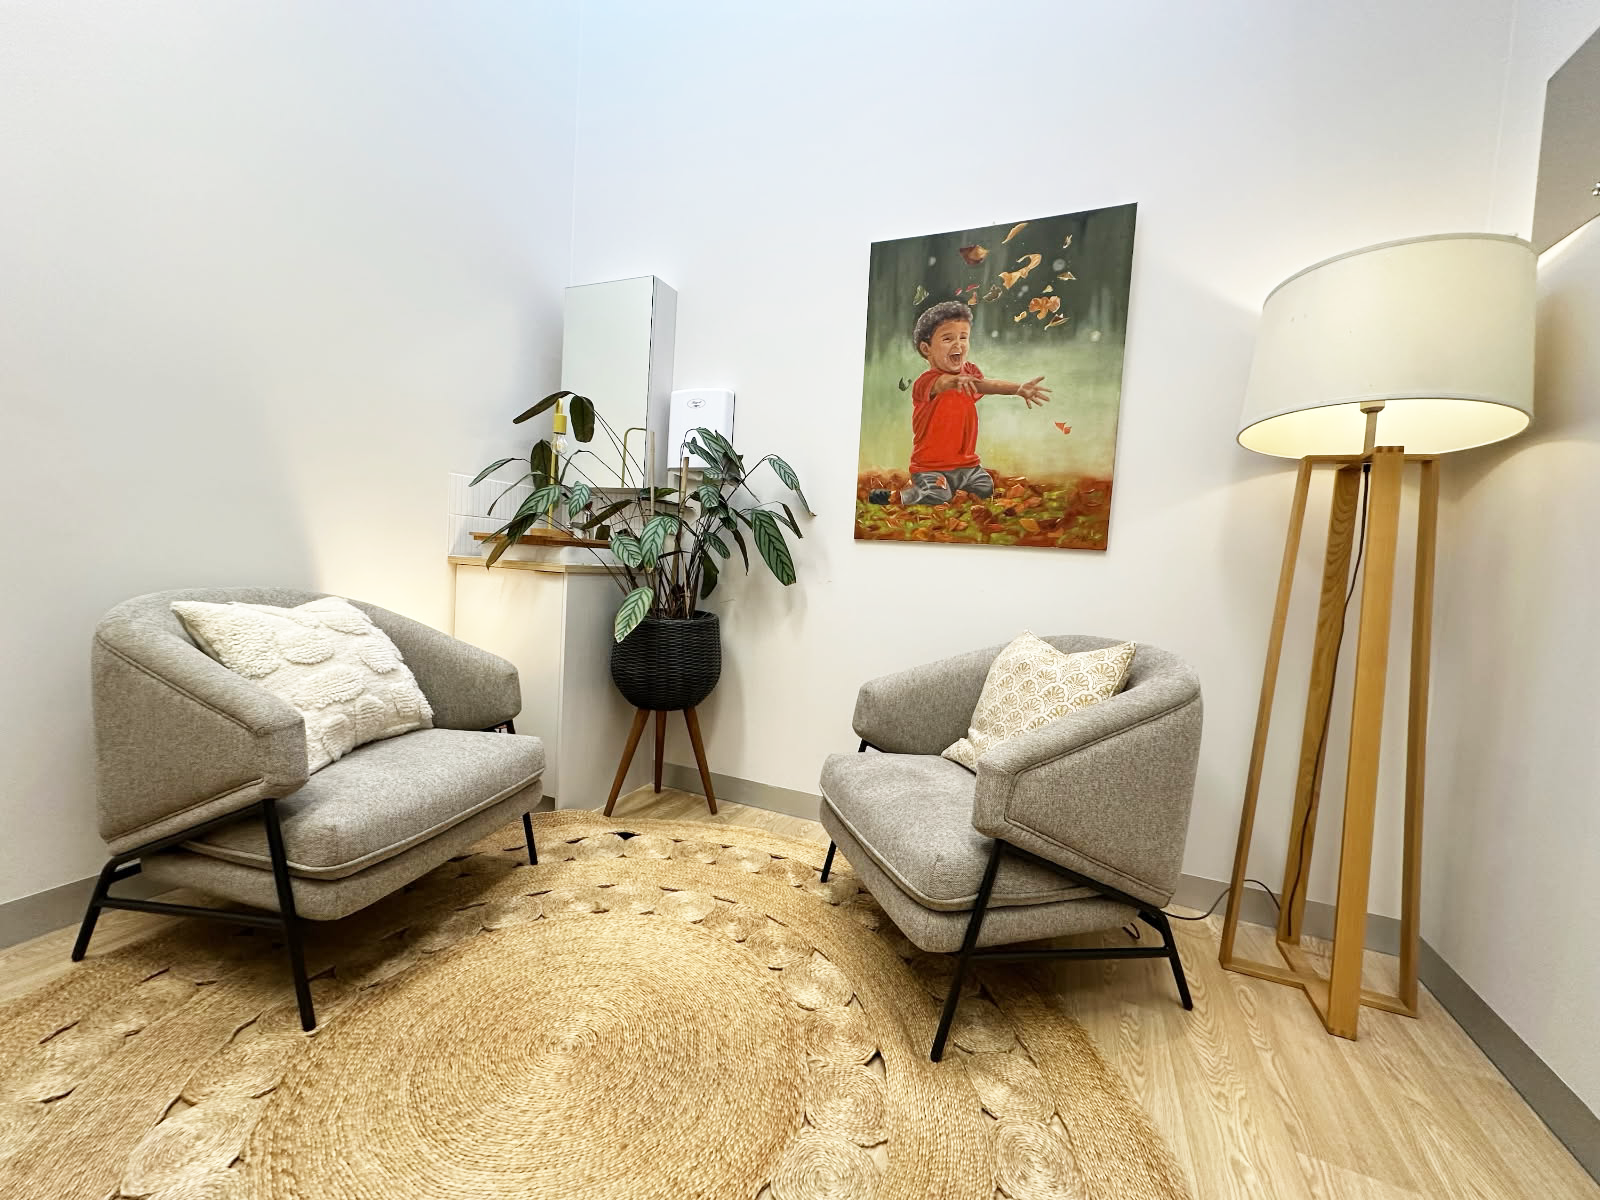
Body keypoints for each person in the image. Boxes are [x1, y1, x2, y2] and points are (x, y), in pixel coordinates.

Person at [868, 301, 1052, 506]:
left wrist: (1018, 389)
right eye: (948, 339)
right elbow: (943, 383)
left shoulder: (970, 374)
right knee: (938, 495)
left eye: (963, 337)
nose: (958, 345)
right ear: (926, 348)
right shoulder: (926, 382)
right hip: (931, 468)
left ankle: (952, 488)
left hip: (967, 467)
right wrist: (957, 380)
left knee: (984, 487)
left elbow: (987, 385)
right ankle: (898, 497)